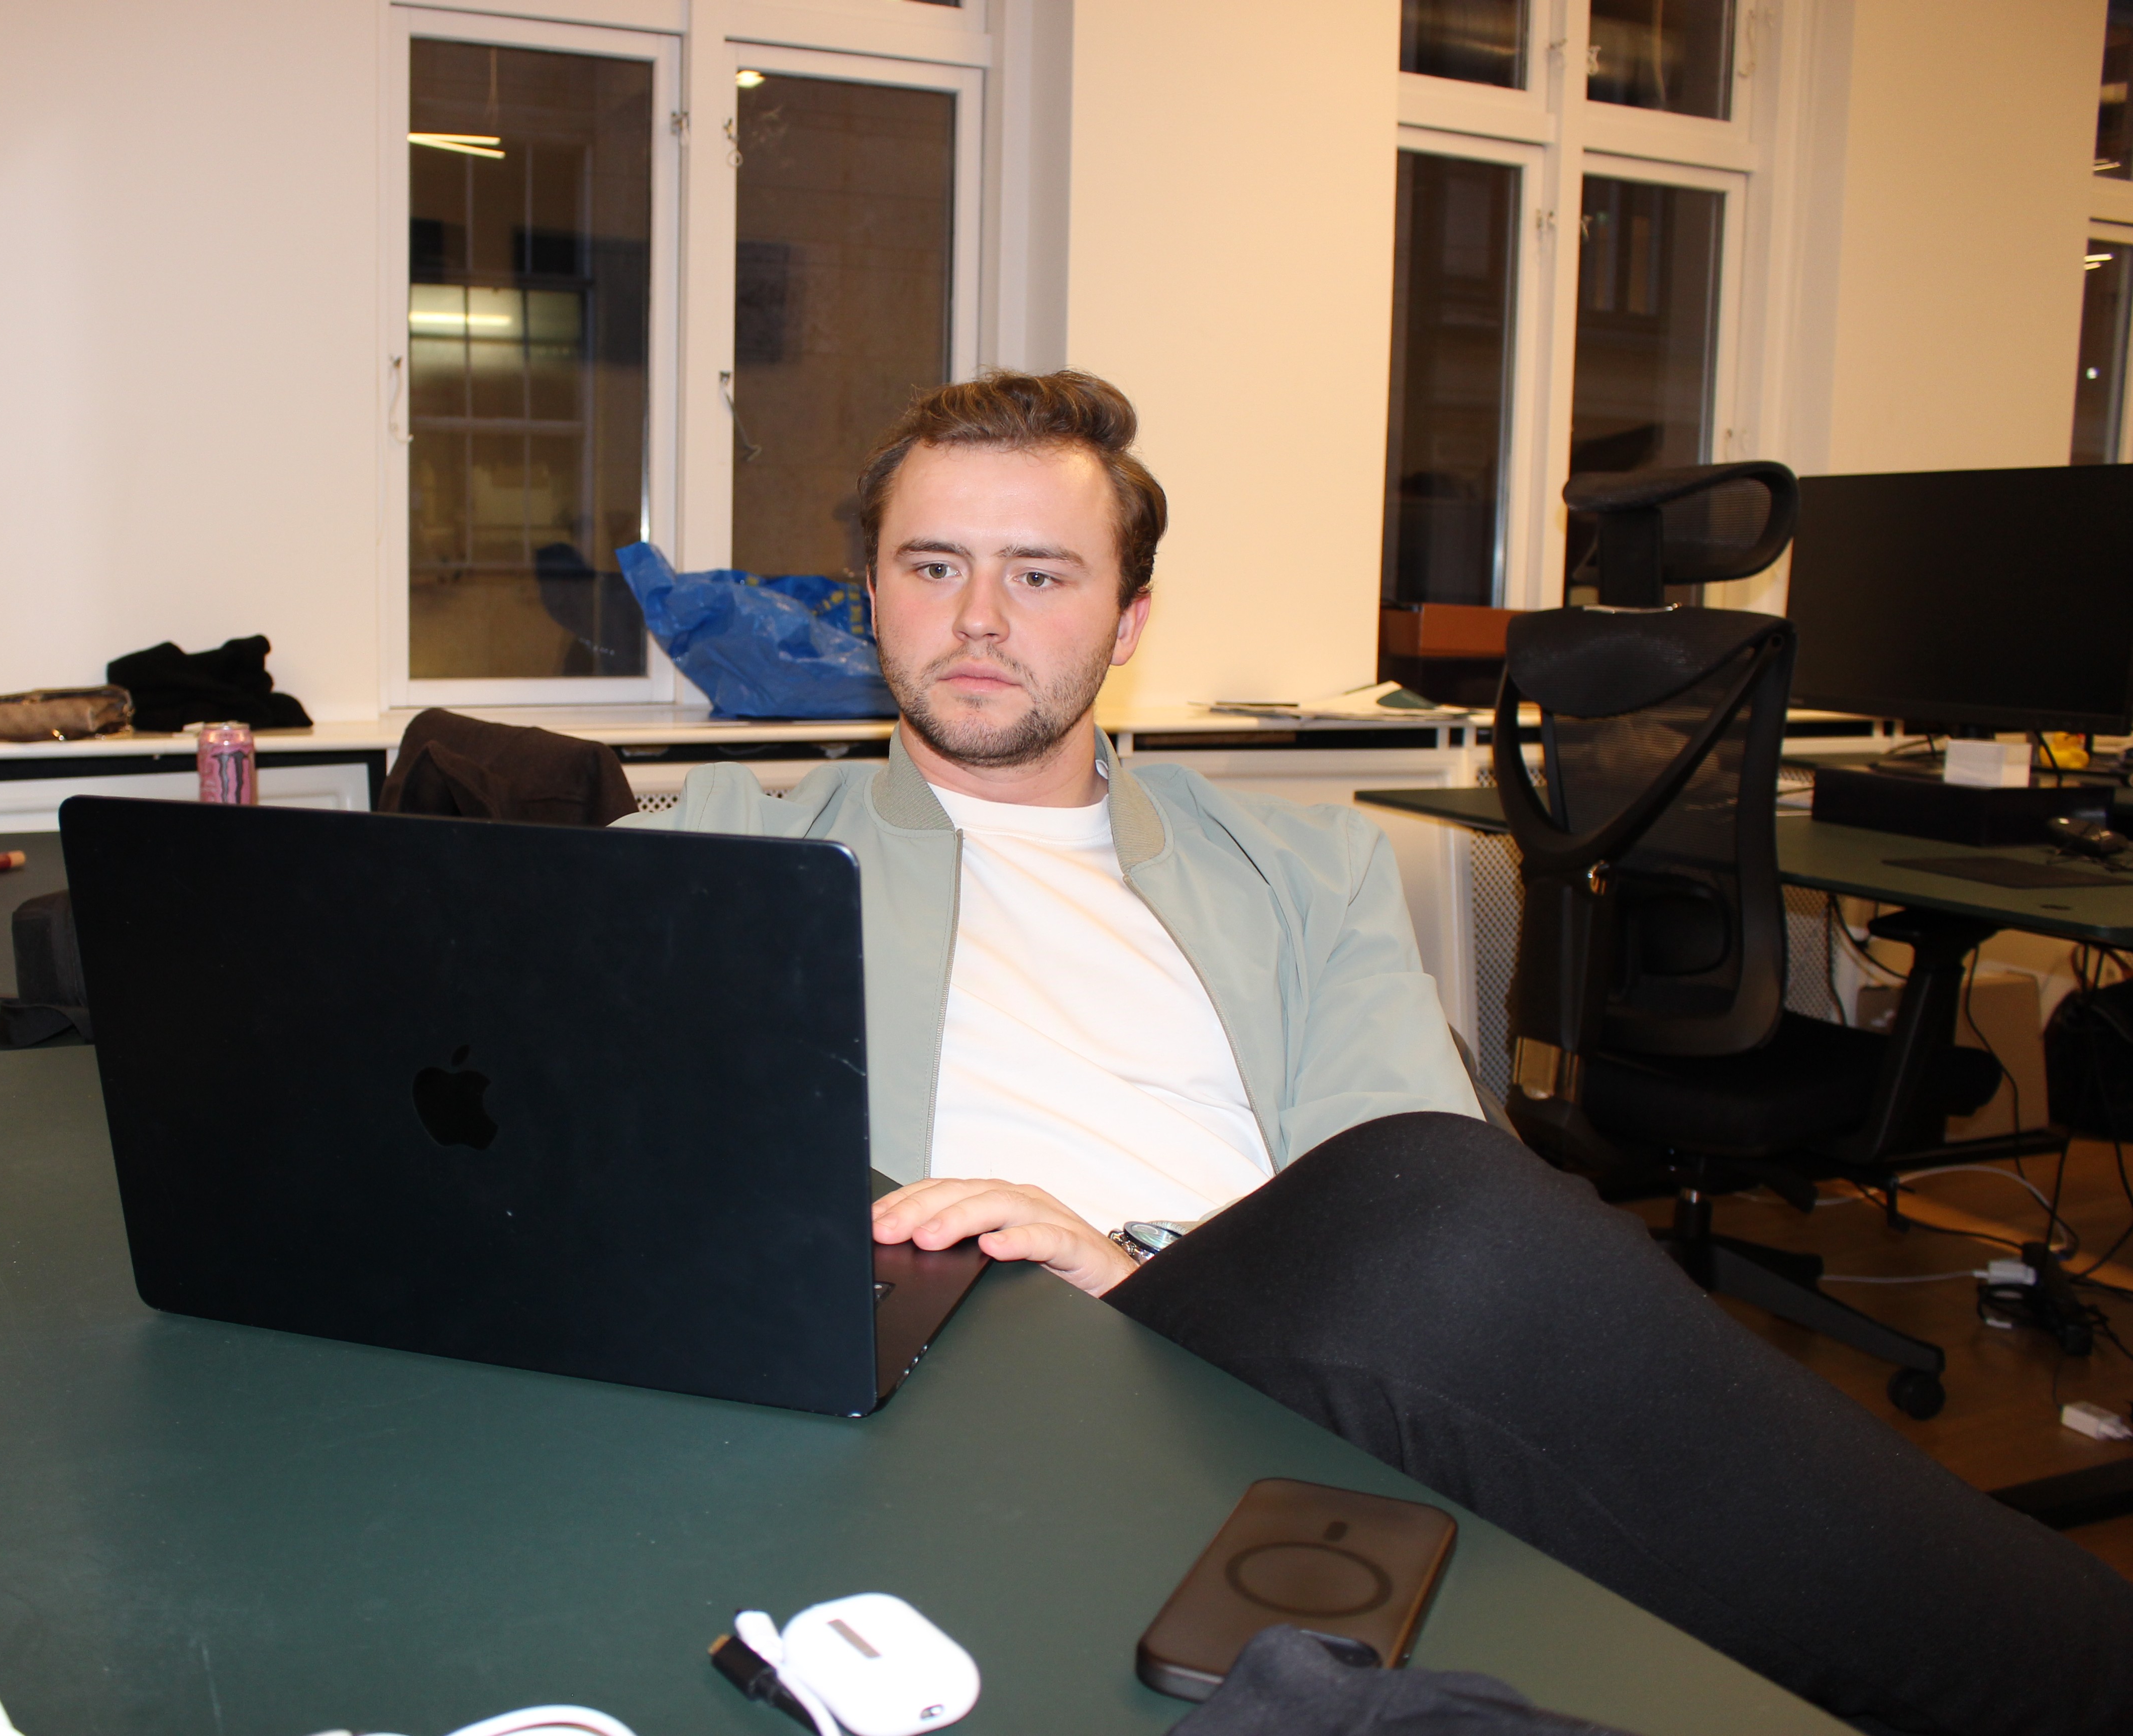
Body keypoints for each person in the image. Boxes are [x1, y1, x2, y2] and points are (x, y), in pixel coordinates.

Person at [617, 370, 2133, 1736]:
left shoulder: (1300, 867)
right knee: (1453, 1216)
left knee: (1444, 1198)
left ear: (1130, 622)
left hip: (1239, 1326)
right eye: (933, 567)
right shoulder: (736, 849)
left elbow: (1395, 1175)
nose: (980, 620)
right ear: (871, 595)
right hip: (978, 1356)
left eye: (1042, 574)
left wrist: (1131, 1257)